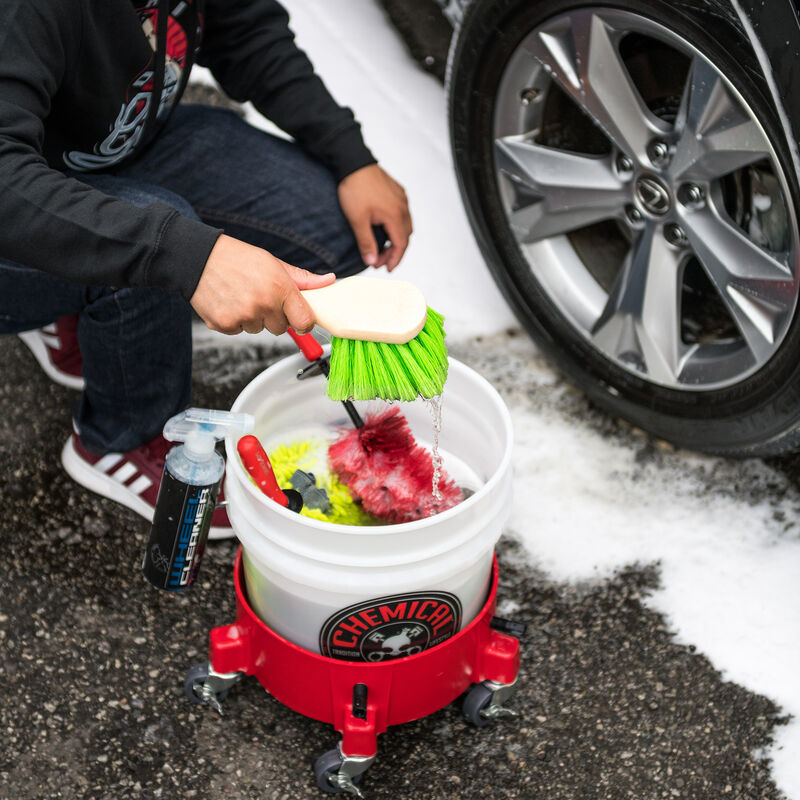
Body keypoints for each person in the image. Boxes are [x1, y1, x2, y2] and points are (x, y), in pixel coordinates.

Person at [0, 0, 413, 538]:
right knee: (166, 237)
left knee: (324, 226)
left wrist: (350, 156)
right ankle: (123, 434)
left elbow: (245, 32)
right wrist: (187, 255)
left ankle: (79, 311)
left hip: (113, 153)